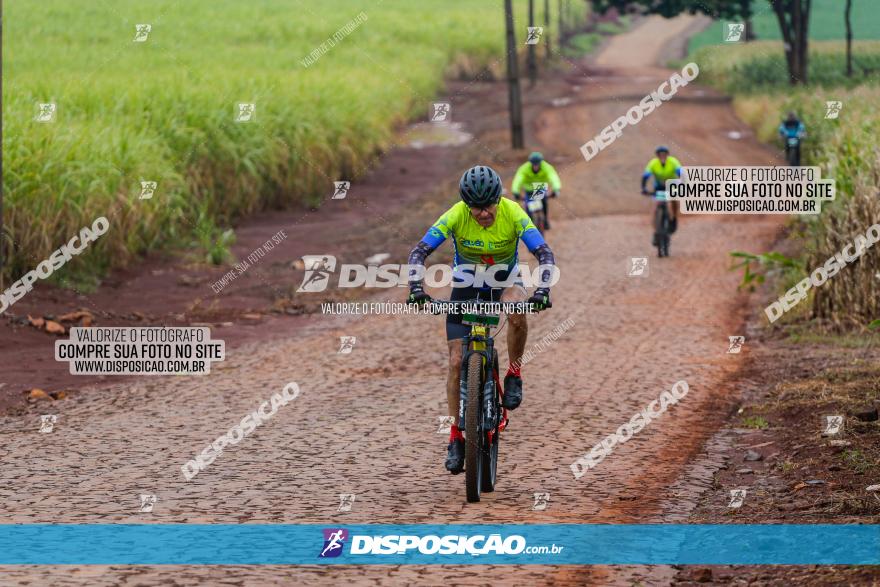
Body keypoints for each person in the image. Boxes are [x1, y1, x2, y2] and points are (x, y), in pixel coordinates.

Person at [407, 165, 556, 474]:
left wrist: (542, 289)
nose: (483, 212)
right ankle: (456, 438)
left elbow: (544, 253)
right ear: (466, 204)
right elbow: (418, 252)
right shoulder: (456, 214)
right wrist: (416, 288)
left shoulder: (514, 212)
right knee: (455, 361)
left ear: (498, 199)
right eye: (476, 207)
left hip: (505, 280)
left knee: (516, 310)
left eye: (488, 205)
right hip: (466, 284)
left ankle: (514, 373)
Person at [641, 146, 682, 243]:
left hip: (672, 184)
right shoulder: (653, 163)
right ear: (658, 156)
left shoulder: (673, 162)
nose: (662, 156)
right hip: (659, 186)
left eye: (664, 154)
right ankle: (656, 231)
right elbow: (646, 176)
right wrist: (644, 188)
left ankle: (674, 218)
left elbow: (681, 173)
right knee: (656, 206)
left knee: (674, 200)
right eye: (660, 154)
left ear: (667, 155)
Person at [511, 152, 561, 229]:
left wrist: (556, 189)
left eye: (537, 164)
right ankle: (529, 223)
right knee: (528, 207)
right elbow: (518, 179)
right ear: (530, 163)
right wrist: (515, 191)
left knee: (543, 202)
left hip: (539, 188)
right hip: (529, 189)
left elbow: (553, 177)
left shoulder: (547, 167)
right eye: (533, 164)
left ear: (541, 163)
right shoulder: (524, 168)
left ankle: (545, 219)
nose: (535, 166)